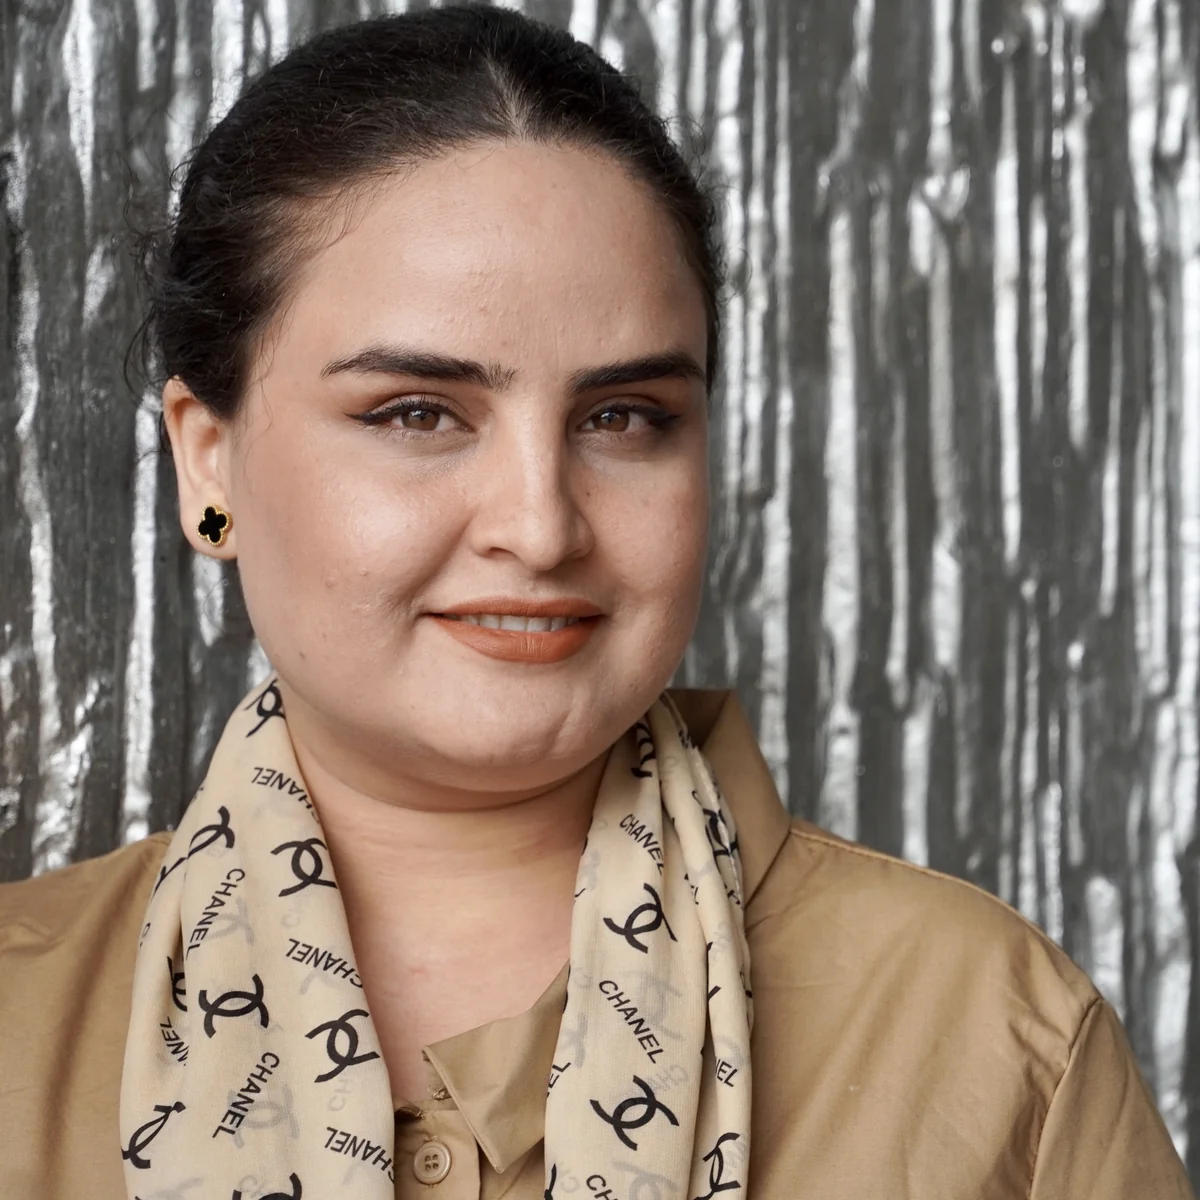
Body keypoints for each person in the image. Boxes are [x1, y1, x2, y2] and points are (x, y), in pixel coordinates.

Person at [0, 4, 1191, 1198]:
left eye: (623, 418)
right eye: (418, 413)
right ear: (207, 459)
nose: (541, 526)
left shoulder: (987, 1038)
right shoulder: (19, 1019)